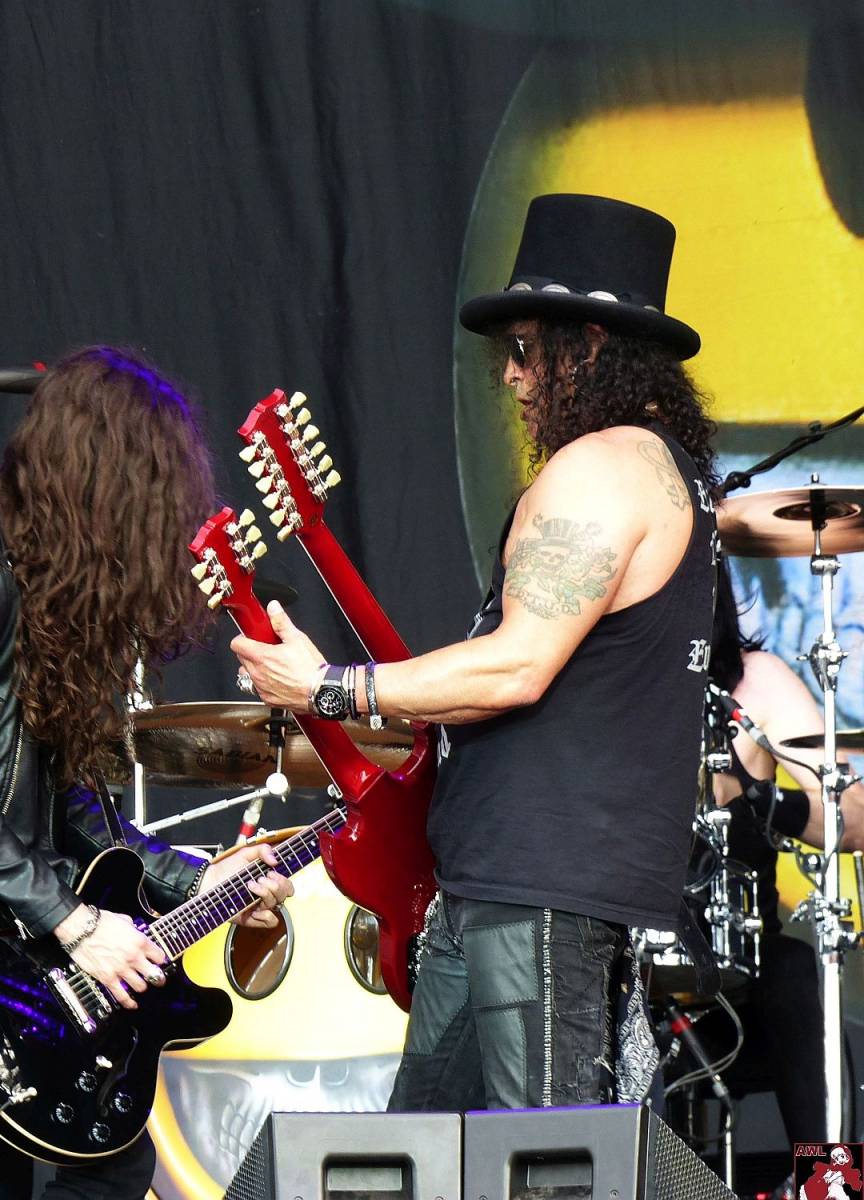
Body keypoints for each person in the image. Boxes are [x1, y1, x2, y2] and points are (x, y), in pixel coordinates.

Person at [233, 193, 718, 1110]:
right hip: (498, 888)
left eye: (527, 350)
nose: (513, 379)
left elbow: (516, 666)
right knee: (418, 1155)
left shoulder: (600, 470)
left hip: (539, 894)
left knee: (545, 1163)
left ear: (591, 347)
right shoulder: (658, 468)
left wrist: (327, 686)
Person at [0, 346, 293, 1200]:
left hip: (10, 896)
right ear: (104, 482)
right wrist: (72, 921)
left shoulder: (48, 586)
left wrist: (199, 880)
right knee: (1, 1174)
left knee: (104, 1158)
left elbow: (77, 807)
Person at [680, 560, 864, 1150]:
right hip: (623, 953)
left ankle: (831, 1183)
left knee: (794, 971)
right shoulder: (606, 682)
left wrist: (760, 798)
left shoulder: (754, 680)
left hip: (743, 969)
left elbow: (854, 816)